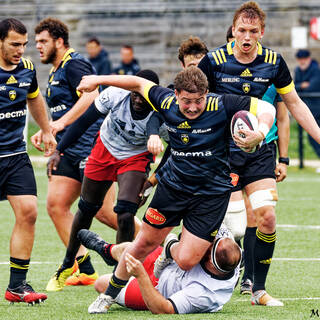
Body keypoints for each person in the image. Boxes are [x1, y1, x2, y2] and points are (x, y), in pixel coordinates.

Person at [75, 66, 276, 313]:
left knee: (186, 260)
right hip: (173, 190)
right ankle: (107, 297)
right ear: (176, 94)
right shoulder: (165, 100)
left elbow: (267, 108)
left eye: (198, 101)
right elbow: (136, 82)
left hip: (210, 196)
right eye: (186, 101)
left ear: (207, 94)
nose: (192, 107)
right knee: (141, 245)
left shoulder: (221, 104)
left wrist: (261, 133)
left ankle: (168, 248)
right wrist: (97, 79)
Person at [198, 1, 320, 306]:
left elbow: (294, 105)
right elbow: (192, 98)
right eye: (242, 30)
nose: (247, 36)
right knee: (231, 225)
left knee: (267, 217)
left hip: (259, 149)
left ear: (262, 32)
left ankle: (258, 290)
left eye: (253, 31)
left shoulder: (274, 62)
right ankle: (197, 270)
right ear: (233, 32)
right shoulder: (213, 61)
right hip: (221, 151)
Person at [46, 69, 168, 291]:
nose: (139, 100)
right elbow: (84, 122)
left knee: (125, 213)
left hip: (135, 157)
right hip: (105, 148)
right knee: (86, 208)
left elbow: (174, 152)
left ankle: (118, 277)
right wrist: (59, 150)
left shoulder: (163, 113)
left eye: (144, 96)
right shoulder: (115, 94)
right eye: (135, 94)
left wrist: (153, 179)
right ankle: (66, 265)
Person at [32, 17, 118, 291]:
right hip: (67, 150)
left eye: (43, 41)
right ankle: (85, 268)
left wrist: (60, 124)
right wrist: (46, 130)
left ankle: (161, 244)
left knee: (108, 214)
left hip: (91, 147)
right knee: (56, 205)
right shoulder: (56, 71)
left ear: (59, 41)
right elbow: (59, 112)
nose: (38, 47)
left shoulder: (75, 64)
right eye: (36, 42)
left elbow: (91, 97)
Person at [221, 26, 290, 292]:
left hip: (262, 149)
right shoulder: (222, 74)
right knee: (235, 221)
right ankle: (229, 267)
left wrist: (283, 158)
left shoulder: (271, 75)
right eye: (234, 40)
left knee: (258, 214)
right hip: (228, 150)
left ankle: (251, 278)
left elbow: (283, 118)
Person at [0, 18, 56, 304]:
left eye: (24, 44)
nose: (21, 50)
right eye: (14, 44)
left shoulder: (28, 69)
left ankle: (17, 286)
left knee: (29, 212)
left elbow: (33, 98)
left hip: (14, 155)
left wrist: (46, 129)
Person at [78, 224, 241, 314]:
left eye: (207, 249)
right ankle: (106, 249)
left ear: (212, 264)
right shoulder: (226, 244)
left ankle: (115, 256)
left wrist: (141, 277)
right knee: (134, 248)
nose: (205, 245)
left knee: (101, 284)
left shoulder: (204, 294)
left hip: (158, 291)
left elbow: (164, 309)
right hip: (169, 263)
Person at [294, 49, 320, 159]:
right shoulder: (297, 70)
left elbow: (312, 87)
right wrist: (302, 85)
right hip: (307, 109)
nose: (302, 61)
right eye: (300, 59)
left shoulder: (315, 69)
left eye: (304, 59)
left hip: (317, 108)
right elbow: (293, 88)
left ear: (309, 59)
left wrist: (301, 86)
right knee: (312, 137)